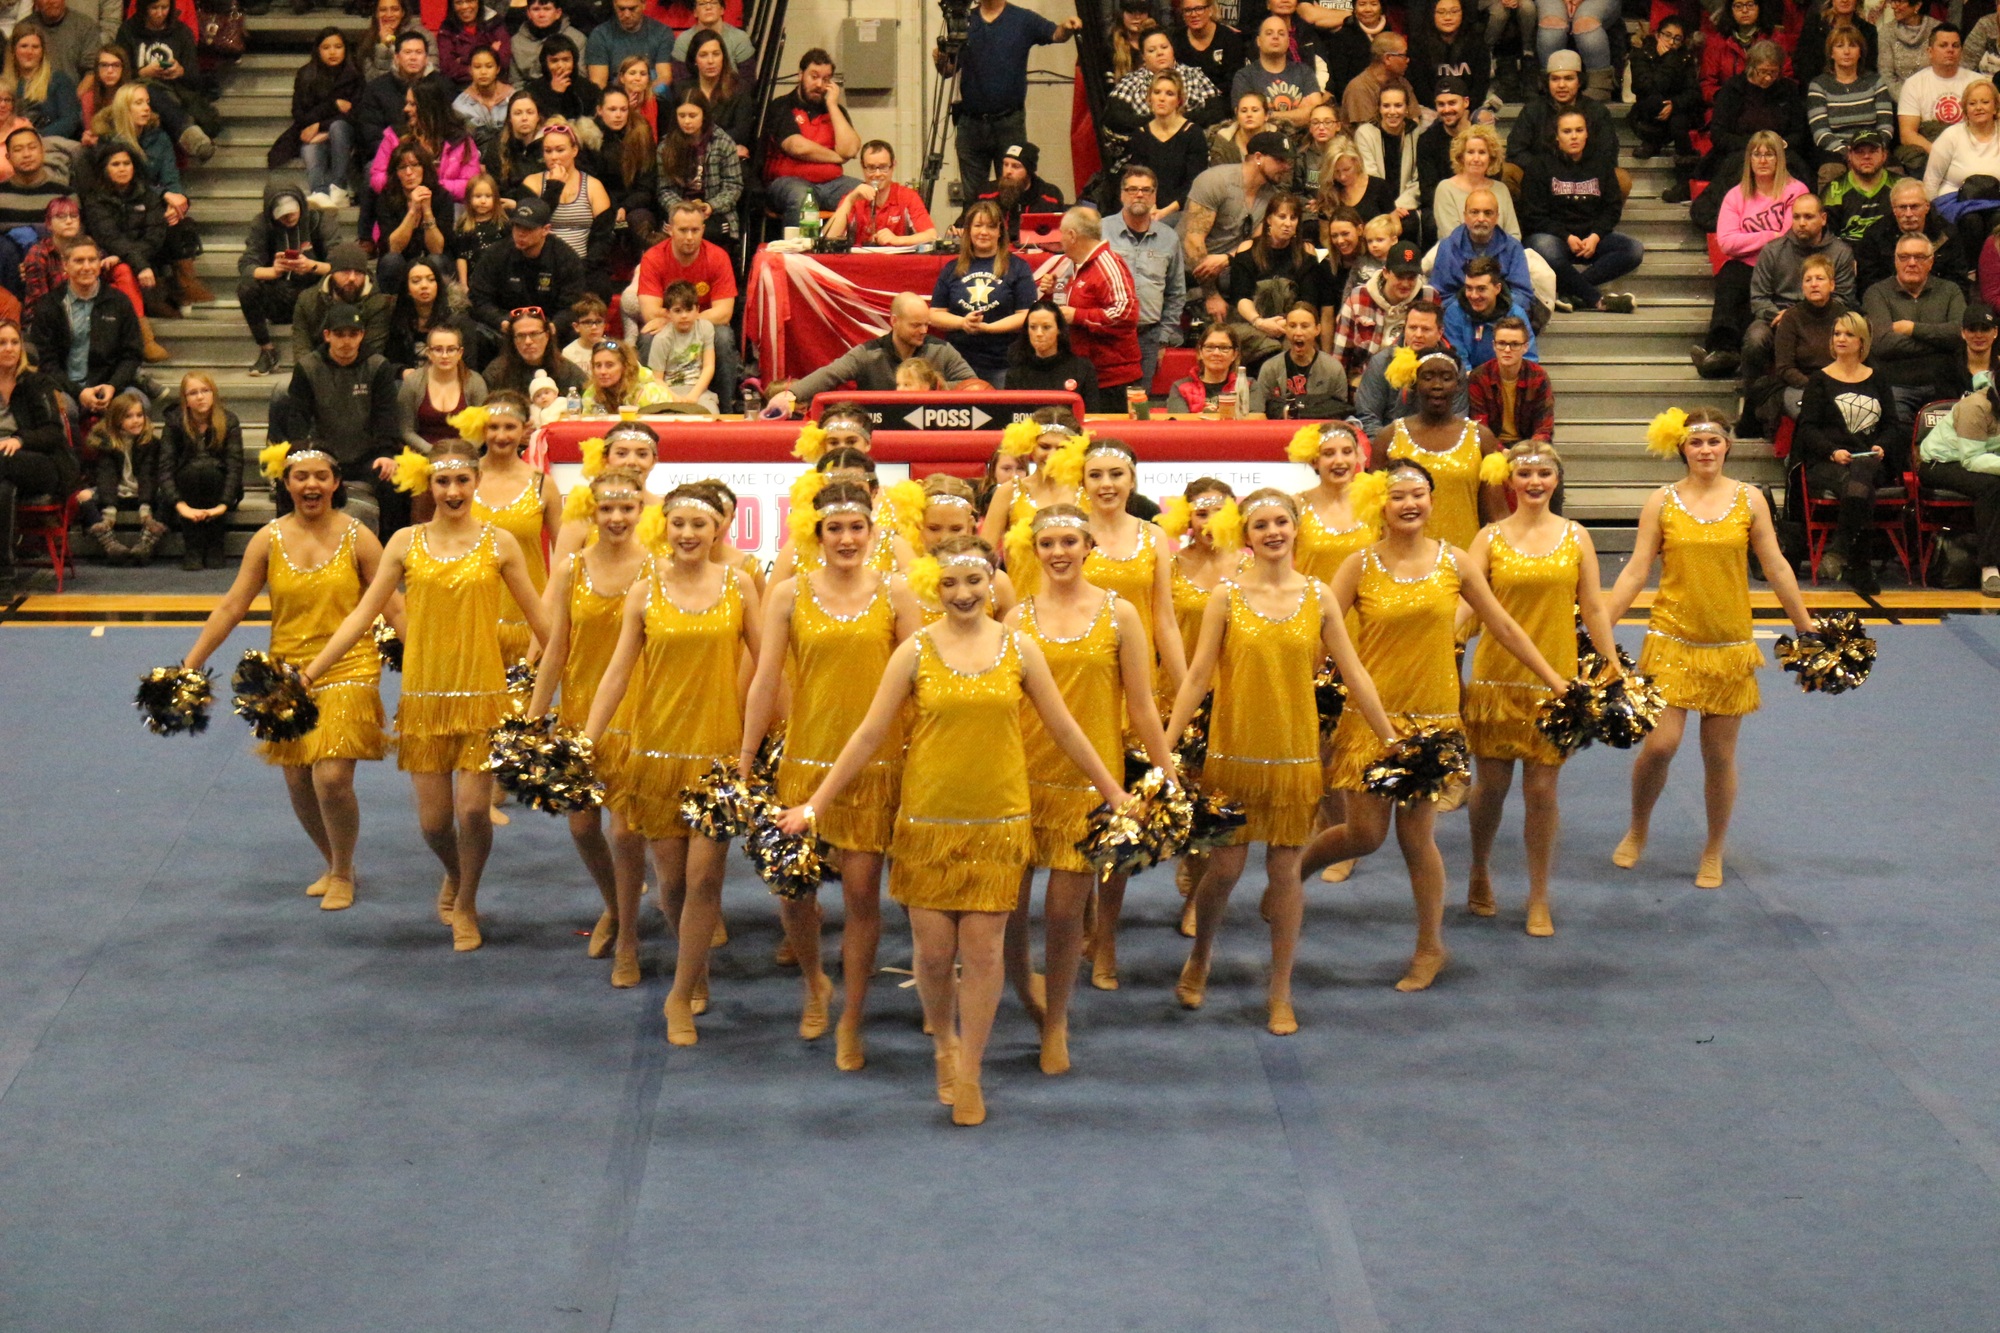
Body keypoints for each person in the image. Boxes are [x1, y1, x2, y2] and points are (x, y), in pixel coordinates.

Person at [773, 535, 1123, 1125]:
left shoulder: (1021, 648)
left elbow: (1064, 728)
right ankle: (944, 1044)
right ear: (933, 589)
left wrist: (1114, 793)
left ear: (992, 583)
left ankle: (971, 1072)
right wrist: (815, 803)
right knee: (934, 957)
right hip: (927, 823)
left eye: (974, 581)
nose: (963, 593)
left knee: (983, 952)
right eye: (950, 583)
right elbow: (868, 733)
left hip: (999, 822)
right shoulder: (912, 651)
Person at [1295, 461, 1564, 989]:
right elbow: (1316, 631)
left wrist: (1556, 682)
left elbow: (1503, 624)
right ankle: (1296, 872)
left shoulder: (1455, 562)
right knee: (1365, 835)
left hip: (1434, 722)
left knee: (1417, 838)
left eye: (1418, 494)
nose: (1409, 504)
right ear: (1381, 504)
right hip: (1370, 719)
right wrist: (1299, 689)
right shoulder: (1359, 564)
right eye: (1398, 496)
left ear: (1432, 501)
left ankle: (1429, 947)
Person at [303, 440, 552, 950]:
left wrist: (553, 688)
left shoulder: (500, 543)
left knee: (473, 812)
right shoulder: (404, 542)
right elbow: (363, 613)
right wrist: (311, 672)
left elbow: (544, 624)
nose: (453, 491)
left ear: (476, 481)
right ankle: (455, 873)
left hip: (483, 697)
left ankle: (467, 902)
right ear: (429, 486)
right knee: (434, 823)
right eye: (443, 481)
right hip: (424, 699)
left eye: (462, 480)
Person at [1165, 486, 1396, 1020]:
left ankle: (1280, 990)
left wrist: (1388, 736)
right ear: (1246, 536)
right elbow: (1198, 676)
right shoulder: (1225, 597)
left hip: (1294, 757)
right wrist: (1167, 744)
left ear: (1295, 528)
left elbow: (1354, 672)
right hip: (1234, 753)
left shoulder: (1319, 596)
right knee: (1224, 869)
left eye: (1280, 522)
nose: (1272, 532)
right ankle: (1200, 955)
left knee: (1285, 873)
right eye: (1261, 525)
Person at [738, 481, 921, 1059]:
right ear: (816, 535)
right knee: (794, 892)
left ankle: (853, 1014)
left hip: (874, 766)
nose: (846, 539)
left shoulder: (897, 592)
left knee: (864, 895)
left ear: (872, 532)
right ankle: (815, 981)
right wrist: (745, 758)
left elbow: (922, 683)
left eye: (856, 528)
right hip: (804, 762)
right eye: (834, 529)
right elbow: (767, 678)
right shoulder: (788, 595)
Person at [1605, 408, 1816, 889]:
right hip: (1672, 637)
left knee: (1718, 756)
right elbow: (1636, 569)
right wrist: (1601, 628)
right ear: (1682, 449)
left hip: (1729, 643)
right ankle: (1638, 827)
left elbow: (1776, 566)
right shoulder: (1661, 501)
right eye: (1696, 443)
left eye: (1713, 442)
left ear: (1727, 446)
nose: (1705, 450)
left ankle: (1714, 847)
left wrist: (1806, 629)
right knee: (1661, 745)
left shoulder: (1750, 499)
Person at [176, 445, 390, 912]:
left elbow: (392, 604)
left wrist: (424, 659)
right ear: (286, 484)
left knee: (331, 777)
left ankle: (343, 870)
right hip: (286, 673)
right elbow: (232, 606)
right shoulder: (267, 539)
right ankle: (335, 862)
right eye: (300, 476)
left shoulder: (360, 538)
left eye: (320, 476)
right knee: (298, 780)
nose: (311, 485)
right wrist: (191, 663)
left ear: (336, 483)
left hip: (349, 665)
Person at [1000, 504, 1177, 1068]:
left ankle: (1056, 1019)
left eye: (1068, 542)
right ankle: (1027, 994)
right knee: (1006, 910)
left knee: (1064, 914)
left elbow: (1141, 705)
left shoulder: (1120, 614)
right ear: (1033, 550)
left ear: (1087, 547)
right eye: (1047, 543)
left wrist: (1166, 773)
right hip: (1022, 780)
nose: (1058, 553)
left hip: (1089, 785)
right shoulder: (1015, 619)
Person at [584, 484, 763, 1037]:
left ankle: (680, 996)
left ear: (717, 530)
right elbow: (617, 673)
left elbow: (769, 666)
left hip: (717, 758)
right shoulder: (644, 592)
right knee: (673, 885)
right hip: (656, 755)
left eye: (698, 524)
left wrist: (757, 747)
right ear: (666, 527)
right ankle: (694, 967)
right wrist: (586, 741)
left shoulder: (740, 586)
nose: (687, 533)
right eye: (679, 523)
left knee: (705, 879)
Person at [1461, 443, 1622, 935]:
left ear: (1557, 479)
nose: (1534, 481)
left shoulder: (1576, 536)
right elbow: (1466, 604)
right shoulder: (1488, 537)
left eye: (1544, 473)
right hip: (1495, 682)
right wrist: (1441, 642)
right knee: (1491, 787)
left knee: (1542, 790)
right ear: (1510, 481)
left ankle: (1538, 894)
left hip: (1557, 684)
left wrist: (1612, 670)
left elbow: (1593, 607)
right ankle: (1479, 868)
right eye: (1525, 473)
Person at [522, 469, 652, 983]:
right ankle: (615, 905)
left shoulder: (658, 567)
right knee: (581, 826)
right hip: (581, 711)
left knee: (626, 833)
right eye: (607, 509)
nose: (617, 518)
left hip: (637, 713)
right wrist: (533, 719)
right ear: (591, 513)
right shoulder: (572, 568)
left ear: (641, 511)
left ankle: (630, 939)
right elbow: (557, 647)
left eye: (626, 508)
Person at [1793, 311, 1899, 591]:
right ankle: (1858, 565)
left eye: (1849, 334)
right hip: (1829, 462)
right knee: (1860, 487)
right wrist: (1832, 451)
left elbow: (1892, 425)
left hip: (1868, 460)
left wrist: (1882, 445)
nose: (1841, 338)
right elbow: (1807, 429)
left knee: (1861, 475)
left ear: (1862, 341)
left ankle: (1841, 550)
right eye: (1837, 333)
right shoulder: (1819, 380)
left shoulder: (1878, 378)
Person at [272, 305, 403, 534]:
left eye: (353, 334)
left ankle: (389, 548)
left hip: (367, 456)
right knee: (287, 481)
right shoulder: (308, 367)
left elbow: (386, 415)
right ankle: (288, 540)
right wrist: (299, 455)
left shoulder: (378, 366)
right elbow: (298, 418)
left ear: (362, 335)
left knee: (394, 481)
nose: (346, 341)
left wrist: (386, 453)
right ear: (327, 335)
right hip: (322, 455)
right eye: (340, 334)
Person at [1694, 132, 1809, 380]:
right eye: (1757, 154)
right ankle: (1723, 350)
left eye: (1769, 154)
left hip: (1785, 267)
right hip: (1747, 266)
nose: (1763, 160)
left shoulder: (1796, 191)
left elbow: (1788, 238)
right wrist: (1769, 234)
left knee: (1750, 293)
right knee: (1730, 275)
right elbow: (1727, 243)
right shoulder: (1736, 195)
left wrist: (1749, 240)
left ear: (1780, 159)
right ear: (1749, 159)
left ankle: (1729, 359)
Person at [934, 0, 1079, 191]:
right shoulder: (965, 21)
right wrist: (941, 60)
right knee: (972, 195)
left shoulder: (1022, 19)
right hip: (971, 124)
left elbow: (1055, 34)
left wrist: (1066, 27)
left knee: (1012, 190)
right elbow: (948, 70)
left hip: (1009, 123)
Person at [1739, 195, 1855, 430]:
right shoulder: (1773, 250)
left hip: (1824, 317)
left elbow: (1844, 298)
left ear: (1823, 219)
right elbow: (1759, 299)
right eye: (1797, 217)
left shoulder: (1841, 252)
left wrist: (1801, 314)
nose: (1801, 223)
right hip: (1776, 318)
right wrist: (1783, 317)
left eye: (1809, 217)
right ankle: (1754, 408)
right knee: (1755, 338)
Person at [1518, 110, 1642, 316]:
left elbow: (1612, 208)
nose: (1574, 136)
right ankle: (1597, 300)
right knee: (1542, 248)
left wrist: (1596, 235)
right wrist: (1566, 236)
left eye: (1579, 130)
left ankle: (1571, 292)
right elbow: (1533, 215)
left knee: (1633, 249)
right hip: (1554, 238)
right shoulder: (1539, 166)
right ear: (1556, 136)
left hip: (1591, 238)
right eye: (1567, 131)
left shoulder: (1602, 163)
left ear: (1587, 134)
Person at [1373, 348, 1499, 546]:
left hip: (1465, 555)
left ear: (1458, 385)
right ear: (1415, 383)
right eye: (1428, 377)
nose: (1437, 385)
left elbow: (1495, 514)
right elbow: (1374, 512)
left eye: (1446, 378)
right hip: (1404, 556)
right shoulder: (1389, 437)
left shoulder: (1482, 438)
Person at [631, 201, 736, 403]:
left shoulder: (718, 257)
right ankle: (648, 403)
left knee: (723, 337)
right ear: (670, 229)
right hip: (668, 327)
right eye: (683, 230)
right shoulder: (653, 258)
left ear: (703, 229)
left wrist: (684, 318)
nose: (689, 237)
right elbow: (650, 312)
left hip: (704, 326)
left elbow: (724, 313)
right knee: (647, 337)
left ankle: (726, 407)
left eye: (695, 230)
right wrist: (680, 320)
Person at [1866, 230, 1969, 436]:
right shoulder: (1876, 293)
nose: (1912, 263)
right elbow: (1882, 343)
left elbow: (1959, 334)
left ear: (1931, 261)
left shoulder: (1950, 291)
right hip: (1895, 384)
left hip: (1943, 382)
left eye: (1919, 257)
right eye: (1904, 257)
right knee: (1897, 435)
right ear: (1895, 260)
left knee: (1949, 438)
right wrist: (1939, 341)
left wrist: (1911, 328)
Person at [929, 198, 1036, 386]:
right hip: (958, 364)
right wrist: (963, 323)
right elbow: (934, 314)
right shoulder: (952, 268)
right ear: (968, 230)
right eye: (978, 226)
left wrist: (988, 328)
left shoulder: (1018, 267)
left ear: (1000, 231)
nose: (984, 232)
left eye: (991, 226)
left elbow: (1026, 315)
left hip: (1002, 363)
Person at [29, 238, 141, 415]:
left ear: (99, 263)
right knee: (64, 410)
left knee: (138, 405)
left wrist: (112, 386)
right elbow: (45, 361)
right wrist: (78, 392)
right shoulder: (48, 305)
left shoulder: (119, 302)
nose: (87, 267)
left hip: (110, 386)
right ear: (65, 265)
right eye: (79, 261)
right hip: (64, 387)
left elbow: (132, 354)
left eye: (92, 260)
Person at [1105, 166, 1189, 391]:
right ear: (1122, 194)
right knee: (1107, 402)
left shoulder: (1169, 238)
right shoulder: (1100, 231)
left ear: (1154, 196)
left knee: (1140, 401)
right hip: (1107, 337)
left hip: (1148, 338)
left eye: (1146, 190)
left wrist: (1163, 337)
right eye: (1132, 189)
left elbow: (1176, 292)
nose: (1139, 195)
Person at [239, 185, 337, 378]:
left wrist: (311, 266)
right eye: (282, 214)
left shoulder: (320, 220)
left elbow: (339, 263)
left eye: (292, 211)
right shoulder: (262, 224)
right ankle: (267, 350)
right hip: (279, 294)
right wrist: (273, 271)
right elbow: (246, 266)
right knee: (246, 287)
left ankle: (326, 351)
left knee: (337, 283)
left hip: (315, 294)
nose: (289, 217)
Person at [1054, 207, 1143, 413]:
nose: (1059, 239)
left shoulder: (1107, 264)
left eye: (1061, 233)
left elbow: (1126, 313)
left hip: (1113, 382)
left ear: (1072, 235)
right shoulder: (1079, 265)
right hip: (1089, 375)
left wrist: (1077, 316)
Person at [0, 317, 71, 572]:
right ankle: (5, 571)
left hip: (41, 462)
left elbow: (53, 433)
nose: (9, 348)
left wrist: (20, 440)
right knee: (3, 489)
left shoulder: (37, 383)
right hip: (5, 468)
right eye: (2, 343)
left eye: (14, 342)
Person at [1183, 130, 1291, 295]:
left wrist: (1229, 258)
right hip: (1192, 271)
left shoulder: (1272, 195)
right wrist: (1211, 295)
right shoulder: (1215, 181)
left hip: (1234, 269)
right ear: (1258, 157)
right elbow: (1193, 242)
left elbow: (1258, 242)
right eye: (1279, 160)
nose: (1287, 167)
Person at [468, 195, 585, 340]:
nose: (520, 234)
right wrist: (501, 321)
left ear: (545, 230)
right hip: (505, 330)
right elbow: (479, 299)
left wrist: (553, 326)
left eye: (528, 228)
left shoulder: (566, 258)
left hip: (550, 331)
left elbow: (572, 305)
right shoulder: (496, 254)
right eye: (517, 226)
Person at [1701, 40, 1812, 193]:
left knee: (1798, 171)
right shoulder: (1732, 89)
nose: (1768, 78)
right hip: (1739, 152)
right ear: (1751, 68)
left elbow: (1799, 132)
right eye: (1763, 72)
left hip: (1781, 153)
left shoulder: (1788, 90)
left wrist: (1781, 144)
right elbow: (1719, 135)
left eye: (1773, 72)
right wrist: (1755, 146)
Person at [762, 48, 860, 217]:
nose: (819, 85)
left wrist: (832, 106)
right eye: (814, 77)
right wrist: (838, 158)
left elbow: (850, 150)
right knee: (804, 199)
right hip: (789, 183)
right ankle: (800, 237)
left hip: (832, 183)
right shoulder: (781, 106)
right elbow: (797, 147)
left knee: (866, 194)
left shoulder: (835, 111)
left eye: (826, 79)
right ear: (801, 75)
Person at [157, 371, 241, 569]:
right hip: (186, 489)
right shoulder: (174, 422)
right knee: (193, 471)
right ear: (185, 400)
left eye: (205, 391)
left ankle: (215, 544)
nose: (200, 397)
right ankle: (193, 546)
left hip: (220, 489)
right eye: (193, 393)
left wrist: (223, 504)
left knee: (209, 470)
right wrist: (180, 505)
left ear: (213, 394)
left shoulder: (229, 421)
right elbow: (165, 467)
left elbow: (235, 466)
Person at [274, 27, 361, 208]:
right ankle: (319, 192)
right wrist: (333, 105)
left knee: (338, 127)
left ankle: (339, 188)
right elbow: (299, 114)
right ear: (318, 50)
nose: (332, 52)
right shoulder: (306, 74)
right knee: (310, 147)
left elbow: (357, 113)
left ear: (345, 49)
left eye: (338, 47)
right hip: (313, 132)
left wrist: (321, 127)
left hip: (347, 133)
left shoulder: (356, 74)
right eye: (326, 47)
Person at [1329, 238, 1430, 389]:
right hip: (1365, 381)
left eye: (1411, 277)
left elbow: (1438, 348)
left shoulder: (1428, 297)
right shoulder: (1358, 297)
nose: (1405, 283)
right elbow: (1340, 355)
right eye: (1400, 276)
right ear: (1386, 273)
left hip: (1414, 382)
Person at [518, 120, 611, 279]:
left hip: (584, 266)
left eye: (560, 150)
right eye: (548, 151)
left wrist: (581, 269)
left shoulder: (593, 186)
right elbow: (531, 224)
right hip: (541, 266)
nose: (554, 157)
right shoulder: (532, 183)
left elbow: (603, 237)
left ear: (574, 150)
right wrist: (554, 187)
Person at [1924, 77, 2000, 262]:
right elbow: (1931, 179)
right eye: (1972, 103)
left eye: (1985, 102)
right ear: (1965, 109)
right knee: (1971, 221)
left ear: (1996, 107)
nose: (1979, 107)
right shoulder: (1951, 136)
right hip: (1956, 200)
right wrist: (1931, 219)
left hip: (1997, 200)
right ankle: (1970, 270)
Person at [654, 88, 742, 244]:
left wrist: (711, 206)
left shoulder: (723, 142)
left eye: (692, 115)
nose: (687, 121)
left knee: (705, 233)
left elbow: (733, 187)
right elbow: (664, 189)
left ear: (704, 115)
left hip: (714, 212)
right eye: (682, 116)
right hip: (679, 210)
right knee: (672, 233)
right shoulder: (666, 147)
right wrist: (681, 208)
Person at [1809, 22, 1898, 173]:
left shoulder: (1876, 81)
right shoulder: (1818, 85)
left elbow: (1886, 126)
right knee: (1831, 171)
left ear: (1860, 52)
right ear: (1831, 53)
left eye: (1852, 46)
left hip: (1873, 147)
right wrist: (1848, 153)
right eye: (1839, 46)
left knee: (1895, 170)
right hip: (1836, 152)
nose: (1846, 51)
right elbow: (1820, 133)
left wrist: (1873, 150)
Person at [1855, 175, 1968, 294]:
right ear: (1893, 209)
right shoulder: (1874, 236)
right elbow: (1868, 286)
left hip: (1937, 298)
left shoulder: (1946, 235)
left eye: (1914, 206)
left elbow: (1958, 283)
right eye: (1902, 207)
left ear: (1927, 207)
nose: (1908, 214)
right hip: (1889, 299)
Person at [1122, 71, 1209, 219]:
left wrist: (1165, 212)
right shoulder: (1141, 134)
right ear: (1149, 98)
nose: (1162, 98)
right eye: (1157, 92)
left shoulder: (1193, 134)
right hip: (1148, 207)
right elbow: (1139, 178)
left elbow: (1195, 184)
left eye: (1169, 94)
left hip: (1183, 209)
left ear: (1179, 101)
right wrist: (1150, 206)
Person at [291, 244, 393, 366]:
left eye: (358, 273)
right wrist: (311, 372)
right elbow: (302, 348)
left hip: (361, 370)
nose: (352, 278)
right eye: (345, 272)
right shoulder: (308, 300)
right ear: (332, 273)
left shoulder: (377, 303)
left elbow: (371, 353)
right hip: (318, 368)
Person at [368, 141, 448, 295]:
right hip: (400, 262)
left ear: (424, 167)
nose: (409, 172)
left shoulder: (442, 197)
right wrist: (412, 211)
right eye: (402, 167)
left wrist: (427, 211)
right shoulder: (386, 198)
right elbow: (394, 247)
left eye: (415, 165)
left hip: (431, 260)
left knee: (436, 260)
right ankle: (391, 306)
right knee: (391, 260)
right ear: (396, 173)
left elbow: (437, 249)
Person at [822, 139, 936, 248]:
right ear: (863, 167)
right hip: (862, 259)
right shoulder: (854, 197)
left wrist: (897, 240)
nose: (877, 174)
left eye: (883, 167)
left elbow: (931, 235)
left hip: (896, 260)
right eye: (871, 168)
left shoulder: (907, 196)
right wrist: (849, 200)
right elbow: (828, 239)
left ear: (893, 166)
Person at [1897, 23, 1974, 175]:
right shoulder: (1914, 84)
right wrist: (1939, 153)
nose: (1950, 50)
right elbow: (1907, 134)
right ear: (1930, 51)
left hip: (1969, 146)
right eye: (1943, 45)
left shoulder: (1977, 82)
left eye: (1955, 46)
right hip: (1930, 149)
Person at [395, 324, 485, 453]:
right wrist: (435, 453)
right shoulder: (413, 382)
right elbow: (406, 430)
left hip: (465, 455)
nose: (444, 355)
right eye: (438, 349)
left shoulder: (475, 382)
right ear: (428, 353)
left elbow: (480, 431)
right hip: (422, 456)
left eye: (451, 349)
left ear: (460, 353)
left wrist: (458, 454)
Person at [1246, 298, 1345, 416]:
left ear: (1317, 329)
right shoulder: (1270, 369)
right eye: (1292, 326)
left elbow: (1341, 413)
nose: (1298, 332)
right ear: (1285, 329)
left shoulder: (1333, 369)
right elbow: (1260, 413)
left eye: (1304, 326)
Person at [1466, 314, 1552, 446]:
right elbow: (1480, 429)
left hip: (1528, 446)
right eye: (1501, 343)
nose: (1507, 350)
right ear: (1494, 345)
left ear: (1525, 347)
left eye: (1515, 344)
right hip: (1491, 446)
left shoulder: (1538, 376)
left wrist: (1527, 452)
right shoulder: (1479, 377)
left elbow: (1544, 428)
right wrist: (1502, 451)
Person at [1431, 120, 1519, 245]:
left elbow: (1514, 234)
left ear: (1491, 157)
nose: (1476, 159)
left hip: (1501, 254)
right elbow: (1451, 237)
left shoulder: (1501, 189)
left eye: (1482, 152)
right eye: (1470, 152)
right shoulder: (1446, 188)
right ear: (1461, 157)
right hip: (1457, 254)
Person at [1230, 16, 1326, 130]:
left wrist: (1265, 114)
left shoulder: (1304, 72)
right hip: (1261, 138)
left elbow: (1315, 114)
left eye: (1281, 34)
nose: (1275, 37)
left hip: (1301, 140)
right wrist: (1299, 113)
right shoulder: (1245, 76)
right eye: (1269, 33)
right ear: (1258, 41)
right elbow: (1245, 118)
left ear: (1288, 41)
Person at [1630, 14, 1701, 167]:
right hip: (1649, 111)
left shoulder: (1685, 58)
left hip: (1677, 112)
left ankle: (1684, 156)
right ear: (1657, 35)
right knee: (1653, 101)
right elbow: (1645, 87)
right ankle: (1652, 141)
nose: (1671, 42)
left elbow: (1693, 93)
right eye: (1667, 35)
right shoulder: (1642, 53)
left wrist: (1674, 104)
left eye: (1677, 38)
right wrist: (1668, 61)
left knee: (1679, 118)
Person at [667, 31, 754, 155]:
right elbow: (674, 130)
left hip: (724, 154)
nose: (711, 61)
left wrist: (705, 143)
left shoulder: (740, 88)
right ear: (694, 59)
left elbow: (741, 133)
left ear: (723, 57)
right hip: (688, 153)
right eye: (703, 55)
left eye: (716, 54)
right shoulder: (682, 88)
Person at [385, 257, 472, 377]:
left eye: (431, 280)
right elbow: (390, 362)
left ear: (438, 285)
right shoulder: (399, 319)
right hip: (411, 382)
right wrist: (402, 371)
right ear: (407, 290)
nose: (424, 286)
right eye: (416, 281)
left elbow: (469, 367)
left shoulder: (458, 321)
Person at [1443, 256, 1535, 368]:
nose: (1474, 295)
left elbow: (1528, 359)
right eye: (1469, 288)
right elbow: (1458, 360)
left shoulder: (1516, 314)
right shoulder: (1454, 313)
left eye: (1481, 289)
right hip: (1468, 376)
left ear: (1497, 288)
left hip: (1507, 375)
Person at [973, 140, 1067, 241]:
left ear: (1029, 171)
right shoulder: (986, 193)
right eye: (1005, 164)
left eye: (1015, 166)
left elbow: (1058, 233)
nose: (1008, 171)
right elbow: (966, 226)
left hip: (1035, 248)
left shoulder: (1050, 196)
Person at [1006, 298, 1099, 399]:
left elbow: (1092, 408)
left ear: (1059, 329)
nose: (1039, 333)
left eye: (1046, 327)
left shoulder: (1082, 369)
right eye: (1033, 327)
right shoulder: (1016, 372)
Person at [480, 304, 583, 395]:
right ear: (513, 340)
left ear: (547, 335)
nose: (528, 341)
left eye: (534, 334)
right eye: (520, 336)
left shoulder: (569, 373)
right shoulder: (496, 374)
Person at [1353, 84, 1422, 219]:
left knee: (1410, 224)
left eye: (1398, 105)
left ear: (1407, 108)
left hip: (1406, 205)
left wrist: (1398, 206)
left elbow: (1418, 180)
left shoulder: (1417, 134)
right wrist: (1389, 209)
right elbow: (1370, 176)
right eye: (1386, 106)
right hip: (1376, 203)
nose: (1392, 112)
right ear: (1379, 108)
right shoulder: (1365, 134)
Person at [1824, 128, 1897, 254]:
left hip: (1891, 256)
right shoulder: (1833, 190)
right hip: (1848, 257)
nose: (1866, 156)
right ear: (1849, 155)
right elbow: (1826, 237)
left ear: (1884, 155)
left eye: (1873, 151)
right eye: (1859, 152)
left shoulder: (1900, 186)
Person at [7, 27, 82, 146]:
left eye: (35, 47)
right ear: (13, 50)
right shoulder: (3, 85)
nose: (29, 52)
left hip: (50, 144)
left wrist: (33, 138)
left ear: (43, 52)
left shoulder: (59, 80)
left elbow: (69, 121)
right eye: (24, 46)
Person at [1411, 0, 1490, 113]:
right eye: (1441, 12)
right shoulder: (1419, 45)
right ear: (1432, 14)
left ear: (1463, 13)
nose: (1448, 17)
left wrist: (1463, 109)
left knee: (1484, 118)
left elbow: (1480, 86)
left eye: (1454, 11)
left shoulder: (1477, 43)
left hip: (1467, 109)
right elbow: (1419, 87)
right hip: (1431, 109)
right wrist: (1442, 108)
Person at [585, 0, 672, 90]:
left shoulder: (661, 32)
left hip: (650, 93)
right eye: (621, 9)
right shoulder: (600, 35)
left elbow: (664, 77)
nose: (626, 14)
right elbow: (598, 83)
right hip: (614, 95)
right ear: (614, 4)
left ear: (643, 4)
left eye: (632, 9)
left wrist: (642, 95)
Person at [1173, 0, 1245, 99]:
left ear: (1210, 10)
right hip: (1187, 101)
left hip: (1223, 101)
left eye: (1199, 9)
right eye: (1188, 10)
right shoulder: (1176, 40)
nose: (1193, 14)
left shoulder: (1229, 39)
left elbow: (1234, 81)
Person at [1167, 321, 1241, 412]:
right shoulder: (1180, 388)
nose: (1216, 353)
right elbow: (1180, 421)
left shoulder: (1247, 386)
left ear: (1234, 354)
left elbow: (1254, 418)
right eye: (1210, 347)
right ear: (1199, 352)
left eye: (1224, 348)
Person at [509, 0, 583, 87]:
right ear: (528, 13)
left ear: (558, 13)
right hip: (529, 92)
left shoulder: (576, 38)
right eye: (536, 9)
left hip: (568, 89)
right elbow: (516, 82)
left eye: (547, 9)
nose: (541, 14)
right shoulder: (517, 41)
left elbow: (581, 78)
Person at [439, 0, 510, 90]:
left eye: (470, 1)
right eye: (458, 2)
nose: (464, 6)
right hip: (460, 88)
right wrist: (489, 51)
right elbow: (448, 67)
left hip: (496, 85)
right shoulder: (447, 28)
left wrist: (462, 59)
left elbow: (503, 60)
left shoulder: (494, 23)